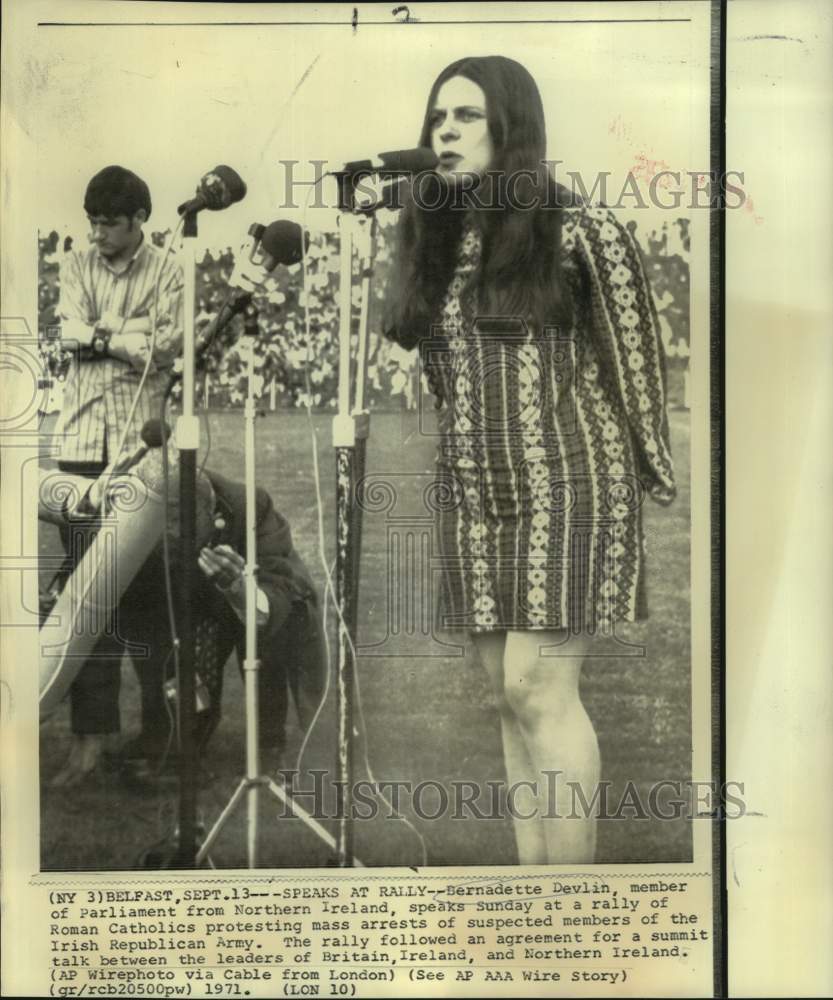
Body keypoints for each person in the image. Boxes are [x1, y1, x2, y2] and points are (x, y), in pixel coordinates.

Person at [384, 56, 676, 864]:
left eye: (466, 116)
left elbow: (634, 356)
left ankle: (570, 902)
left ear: (511, 126)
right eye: (437, 116)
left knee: (536, 686)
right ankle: (533, 889)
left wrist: (650, 462)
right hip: (472, 490)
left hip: (571, 479)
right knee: (504, 698)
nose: (444, 130)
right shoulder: (432, 240)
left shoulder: (581, 229)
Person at [48, 444, 325, 787]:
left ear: (211, 511)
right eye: (161, 536)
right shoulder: (118, 522)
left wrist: (241, 589)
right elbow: (88, 619)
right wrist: (91, 728)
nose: (172, 542)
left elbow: (286, 597)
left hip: (245, 596)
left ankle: (269, 743)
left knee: (273, 626)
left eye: (182, 528)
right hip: (167, 604)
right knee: (178, 715)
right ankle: (170, 733)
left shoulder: (251, 508)